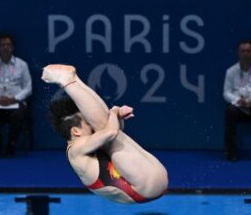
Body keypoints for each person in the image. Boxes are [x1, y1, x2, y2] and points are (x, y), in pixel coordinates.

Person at [44, 64, 168, 204]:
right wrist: (115, 112)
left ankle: (74, 79)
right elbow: (111, 132)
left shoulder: (89, 140)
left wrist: (117, 116)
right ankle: (69, 81)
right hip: (143, 189)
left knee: (104, 123)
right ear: (75, 131)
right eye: (87, 122)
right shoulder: (76, 149)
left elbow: (116, 129)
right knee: (103, 124)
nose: (90, 122)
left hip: (148, 184)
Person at [0, 33, 32, 158]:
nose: (5, 47)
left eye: (8, 45)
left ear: (13, 47)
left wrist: (14, 99)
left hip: (15, 102)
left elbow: (28, 88)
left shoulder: (22, 65)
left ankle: (11, 146)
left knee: (19, 114)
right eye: (3, 45)